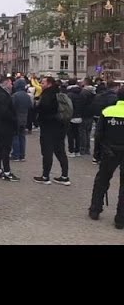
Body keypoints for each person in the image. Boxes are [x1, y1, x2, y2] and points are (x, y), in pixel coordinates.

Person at [88, 88, 124, 229]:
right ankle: (120, 219)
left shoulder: (108, 111)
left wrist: (97, 153)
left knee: (101, 180)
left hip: (109, 150)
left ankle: (95, 209)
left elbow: (99, 134)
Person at [34, 76, 70, 185]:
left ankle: (45, 176)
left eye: (43, 82)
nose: (41, 84)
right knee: (60, 151)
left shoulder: (47, 95)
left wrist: (37, 106)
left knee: (47, 152)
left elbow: (44, 109)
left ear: (49, 84)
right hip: (61, 127)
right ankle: (65, 176)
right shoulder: (59, 93)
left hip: (48, 127)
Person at [0, 76, 20, 181]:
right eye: (10, 83)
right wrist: (13, 118)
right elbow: (4, 111)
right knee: (6, 148)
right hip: (5, 125)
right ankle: (7, 172)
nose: (12, 85)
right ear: (6, 83)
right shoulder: (3, 95)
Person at [90, 81, 120, 164]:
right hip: (109, 118)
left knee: (99, 136)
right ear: (115, 87)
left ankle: (96, 156)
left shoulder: (99, 95)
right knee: (108, 137)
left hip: (98, 117)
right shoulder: (114, 97)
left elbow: (93, 105)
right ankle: (106, 155)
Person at [65, 78, 90, 157]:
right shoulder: (81, 93)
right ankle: (77, 151)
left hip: (71, 117)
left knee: (70, 135)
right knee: (77, 134)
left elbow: (67, 107)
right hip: (79, 117)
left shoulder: (69, 94)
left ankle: (71, 151)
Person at [10, 78, 32, 161]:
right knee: (22, 137)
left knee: (15, 136)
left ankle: (15, 154)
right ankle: (22, 155)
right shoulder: (27, 96)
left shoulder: (15, 95)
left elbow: (12, 107)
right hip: (24, 118)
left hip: (16, 118)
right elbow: (30, 107)